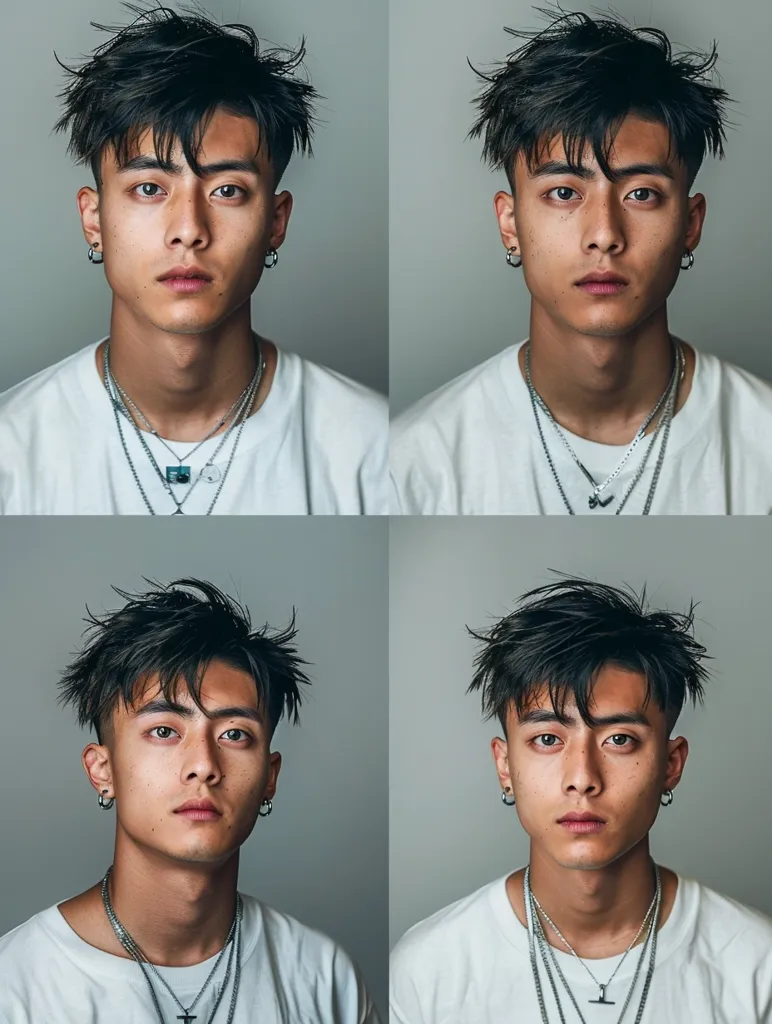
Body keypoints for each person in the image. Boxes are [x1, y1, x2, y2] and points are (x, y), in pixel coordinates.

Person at [0, 6, 387, 515]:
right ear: (94, 219)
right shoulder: (12, 453)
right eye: (148, 188)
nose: (188, 230)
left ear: (276, 221)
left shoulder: (372, 451)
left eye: (228, 190)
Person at [390, 11, 772, 515]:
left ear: (691, 224)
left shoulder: (759, 444)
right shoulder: (414, 465)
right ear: (510, 224)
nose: (604, 236)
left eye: (641, 194)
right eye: (564, 192)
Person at [389, 578, 772, 1022]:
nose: (582, 778)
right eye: (548, 738)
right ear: (505, 766)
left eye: (620, 739)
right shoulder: (428, 970)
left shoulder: (756, 968)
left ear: (671, 764)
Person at [0, 578, 379, 1023]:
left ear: (269, 778)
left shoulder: (325, 978)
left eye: (234, 734)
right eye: (164, 731)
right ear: (102, 771)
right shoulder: (15, 984)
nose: (203, 765)